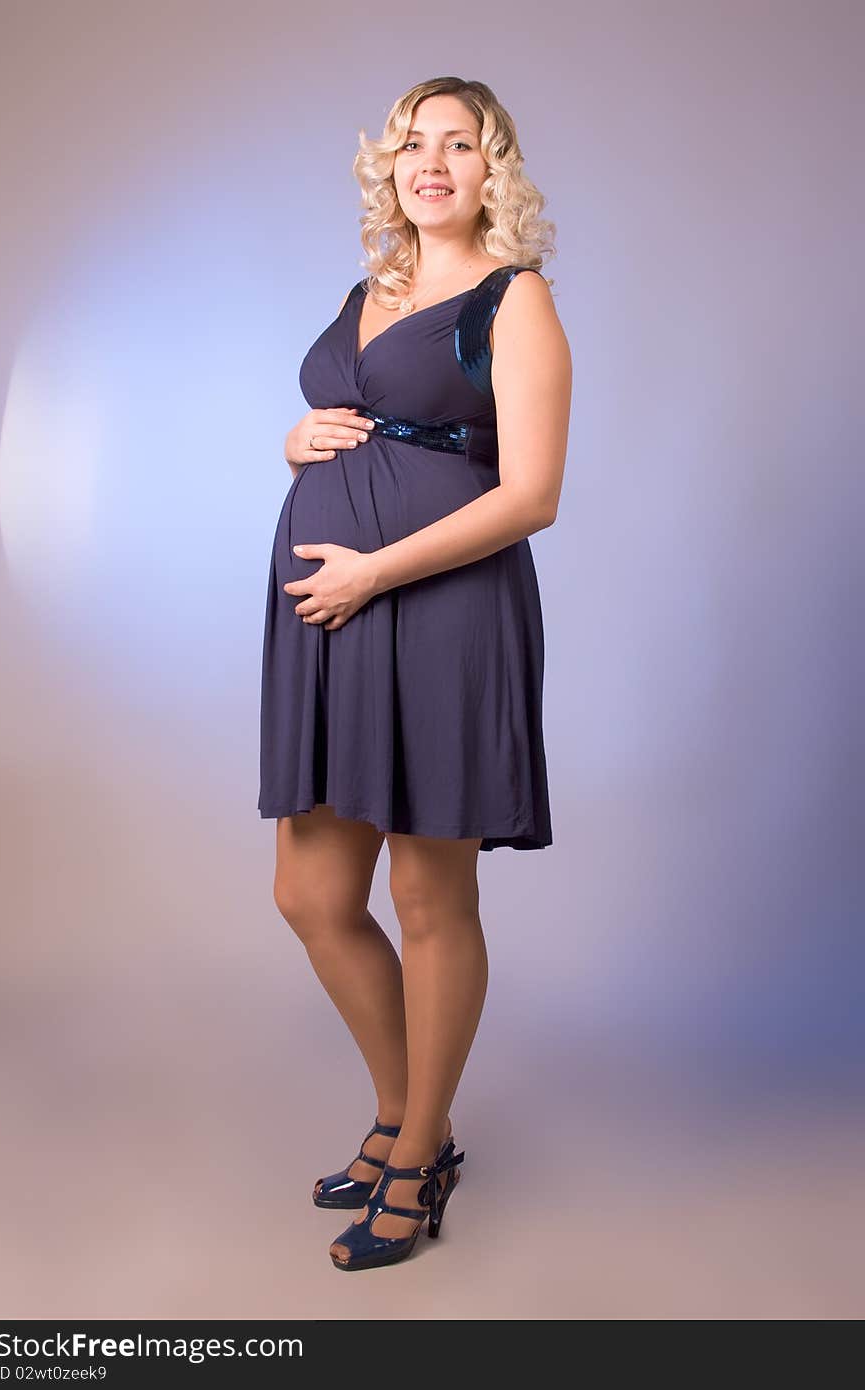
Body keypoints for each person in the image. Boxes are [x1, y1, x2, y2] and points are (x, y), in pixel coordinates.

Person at [258, 76, 572, 1272]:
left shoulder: (517, 299)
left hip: (436, 611)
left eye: (459, 143)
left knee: (431, 900)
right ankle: (409, 1120)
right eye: (412, 143)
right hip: (335, 619)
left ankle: (419, 1143)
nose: (430, 161)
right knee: (313, 895)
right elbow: (357, 417)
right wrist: (294, 438)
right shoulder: (371, 288)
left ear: (495, 169)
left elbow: (530, 493)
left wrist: (376, 572)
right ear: (386, 165)